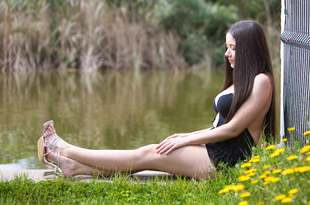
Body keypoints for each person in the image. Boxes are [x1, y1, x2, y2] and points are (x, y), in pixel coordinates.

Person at [37, 20, 276, 179]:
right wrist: (186, 136)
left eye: (232, 48)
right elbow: (219, 126)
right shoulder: (241, 79)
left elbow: (233, 129)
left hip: (228, 163)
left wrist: (186, 139)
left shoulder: (261, 81)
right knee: (146, 156)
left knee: (147, 155)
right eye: (226, 47)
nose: (227, 54)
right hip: (216, 151)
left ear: (247, 49)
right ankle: (73, 167)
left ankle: (66, 149)